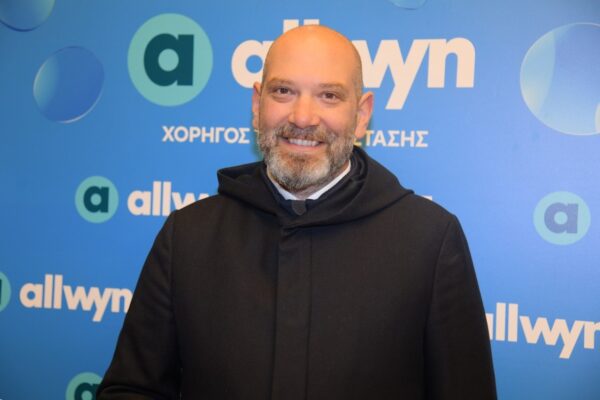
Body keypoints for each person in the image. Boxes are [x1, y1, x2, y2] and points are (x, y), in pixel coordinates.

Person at [98, 25, 496, 399]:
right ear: (257, 104)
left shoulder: (430, 242)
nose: (303, 118)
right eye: (284, 91)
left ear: (361, 115)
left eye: (329, 96)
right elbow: (133, 389)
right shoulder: (188, 235)